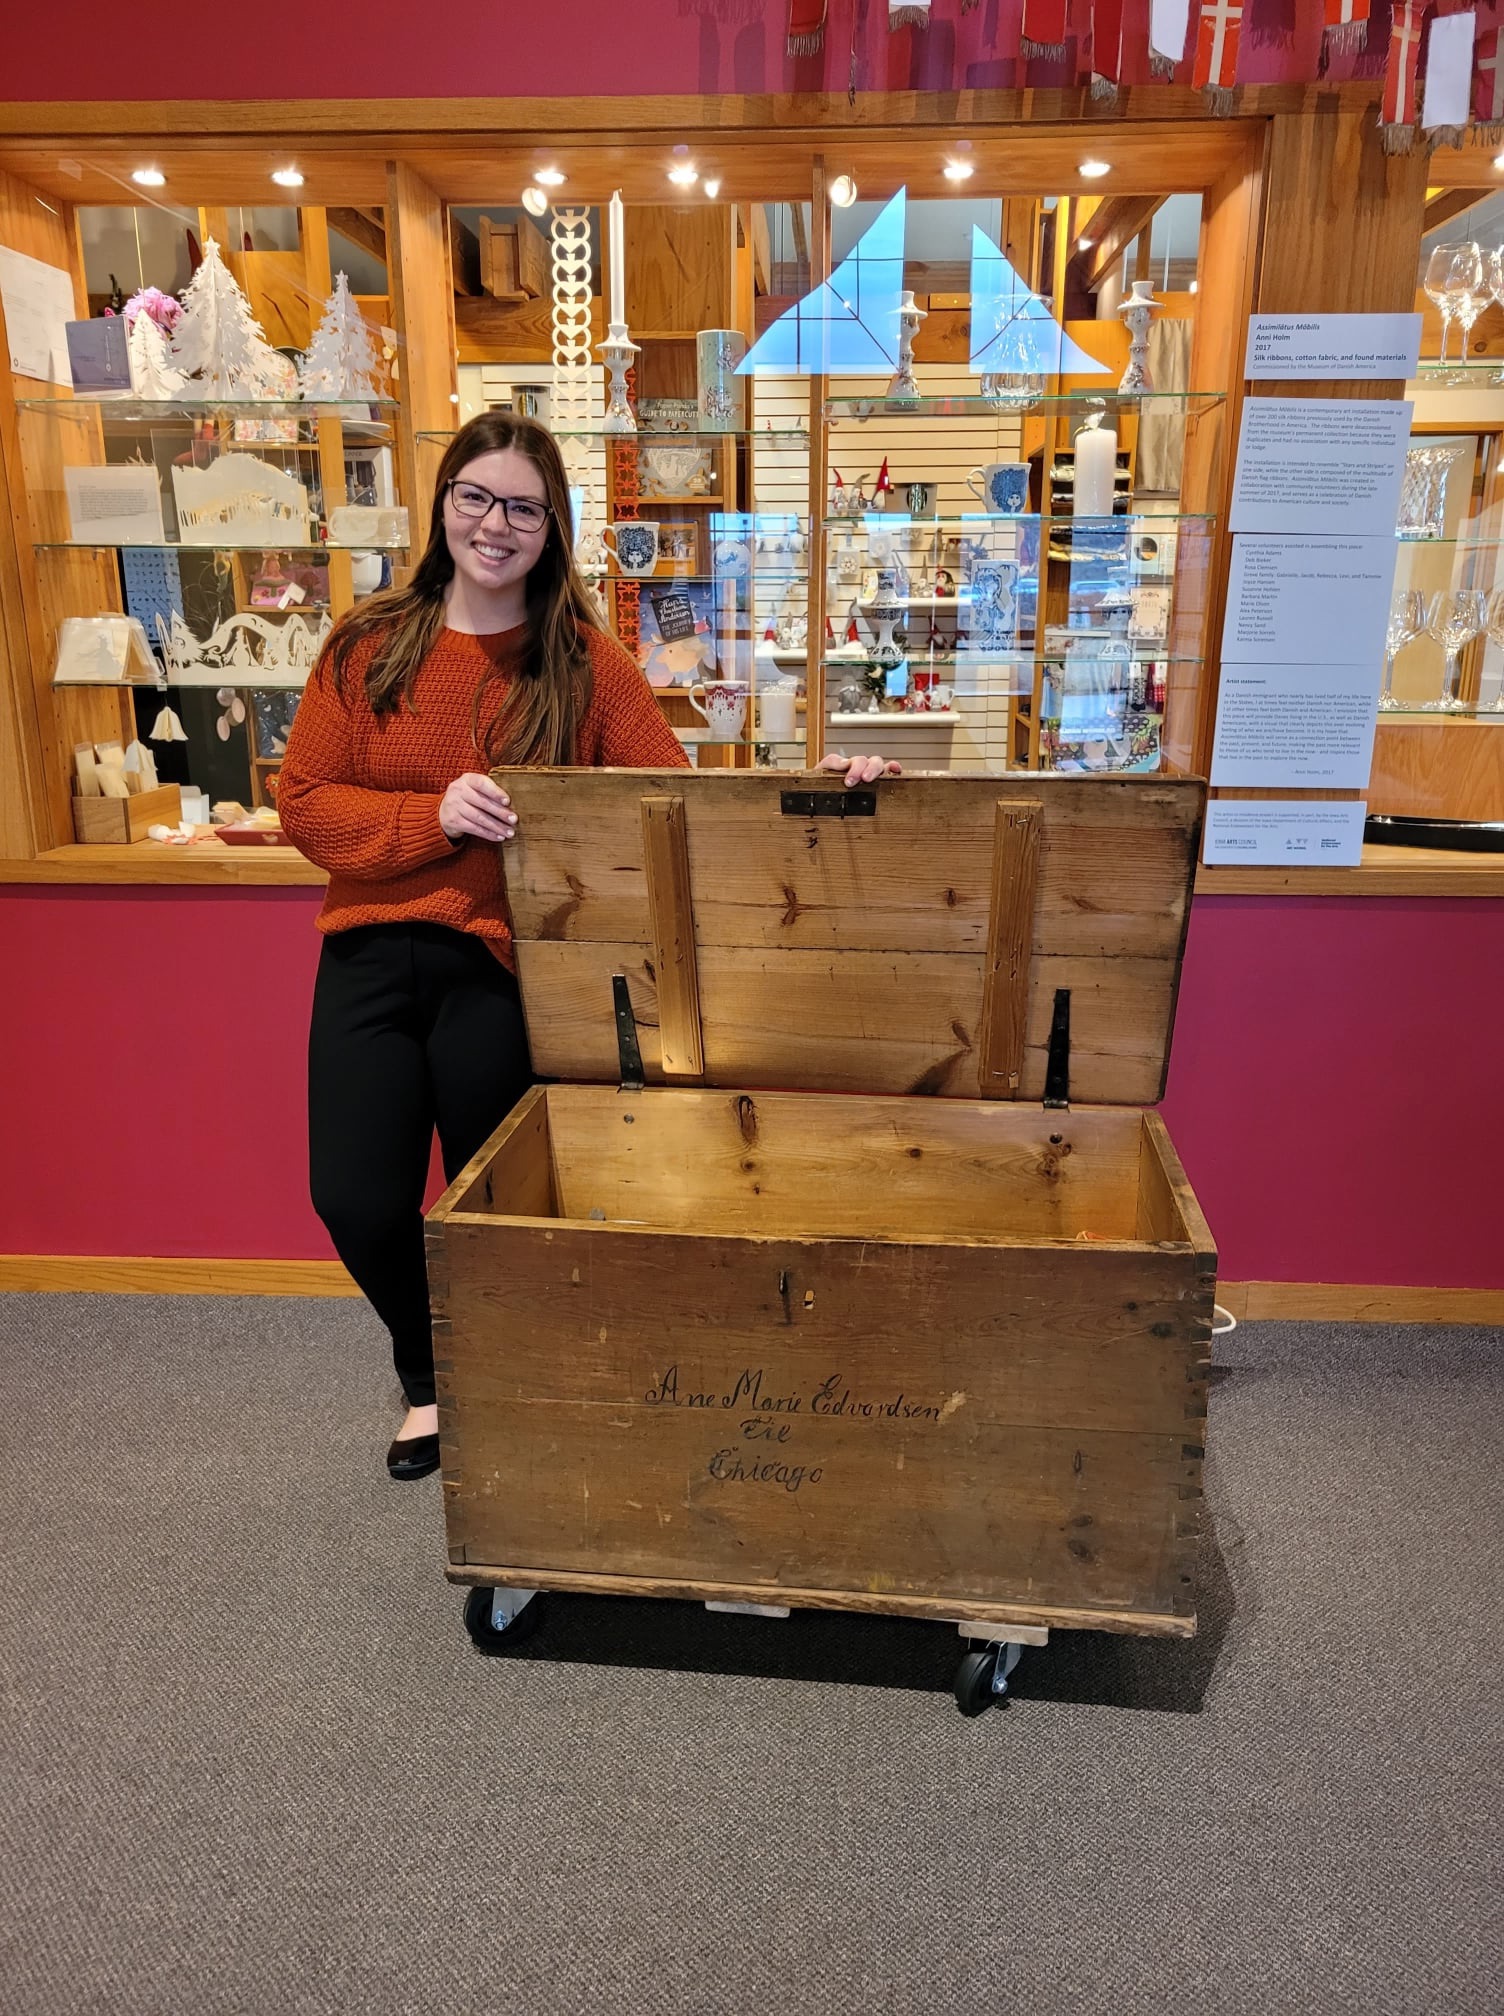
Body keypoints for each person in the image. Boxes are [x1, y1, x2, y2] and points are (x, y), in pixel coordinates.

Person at [279, 412, 895, 1480]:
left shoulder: (587, 667)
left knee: (503, 1207)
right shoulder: (366, 643)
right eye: (475, 496)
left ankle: (498, 1382)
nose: (494, 523)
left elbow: (675, 805)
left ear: (553, 526)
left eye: (522, 505)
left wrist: (823, 783)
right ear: (442, 503)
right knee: (357, 1197)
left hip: (507, 968)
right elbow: (303, 804)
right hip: (371, 958)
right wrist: (434, 818)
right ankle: (428, 1374)